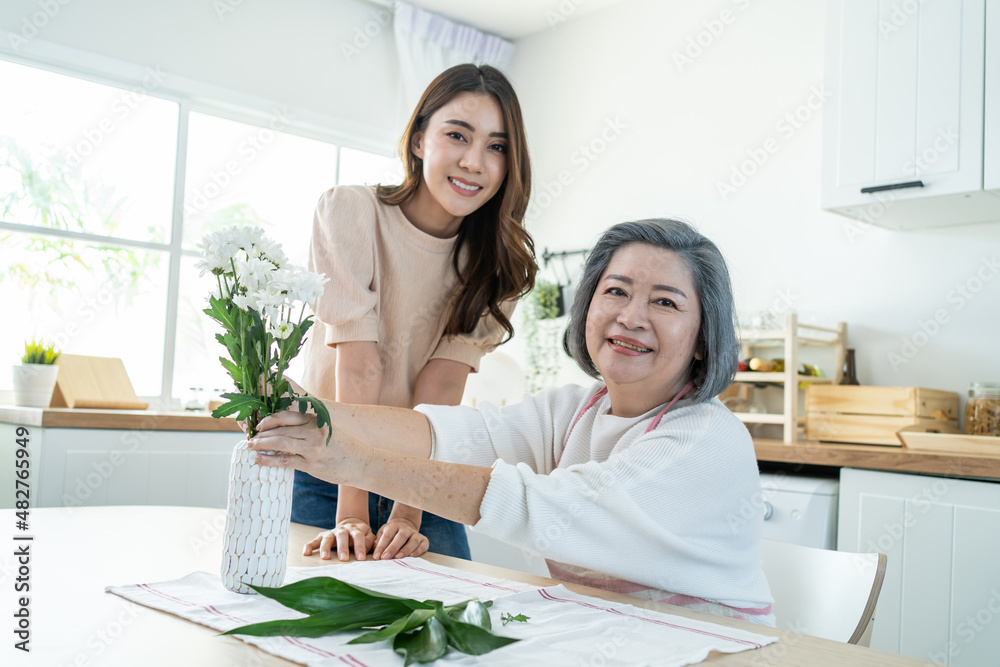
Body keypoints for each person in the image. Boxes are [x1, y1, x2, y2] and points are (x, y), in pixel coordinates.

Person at [254, 219, 776, 625]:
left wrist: (353, 459)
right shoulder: (577, 409)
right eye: (615, 291)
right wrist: (317, 414)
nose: (631, 316)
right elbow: (450, 436)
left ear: (705, 338)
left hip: (714, 649)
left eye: (665, 301)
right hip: (613, 639)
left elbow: (549, 508)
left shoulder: (704, 438)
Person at [293, 63, 536, 563]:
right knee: (314, 619)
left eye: (496, 147)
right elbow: (360, 366)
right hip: (326, 462)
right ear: (420, 139)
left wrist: (407, 511)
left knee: (445, 619)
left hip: (424, 467)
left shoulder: (500, 264)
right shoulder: (349, 212)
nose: (474, 162)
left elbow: (441, 388)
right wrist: (352, 514)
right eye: (458, 135)